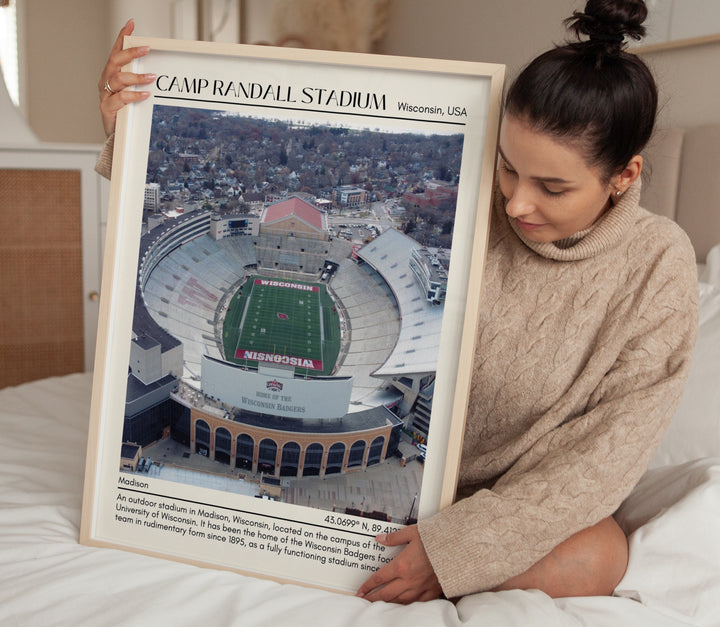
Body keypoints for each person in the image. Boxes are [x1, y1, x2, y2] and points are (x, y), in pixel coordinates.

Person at [97, 0, 698, 604]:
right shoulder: (467, 209)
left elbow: (606, 458)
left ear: (624, 176)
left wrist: (460, 549)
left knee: (599, 556)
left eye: (553, 187)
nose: (516, 203)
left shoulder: (656, 265)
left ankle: (404, 566)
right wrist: (129, 131)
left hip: (515, 505)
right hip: (412, 475)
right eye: (509, 169)